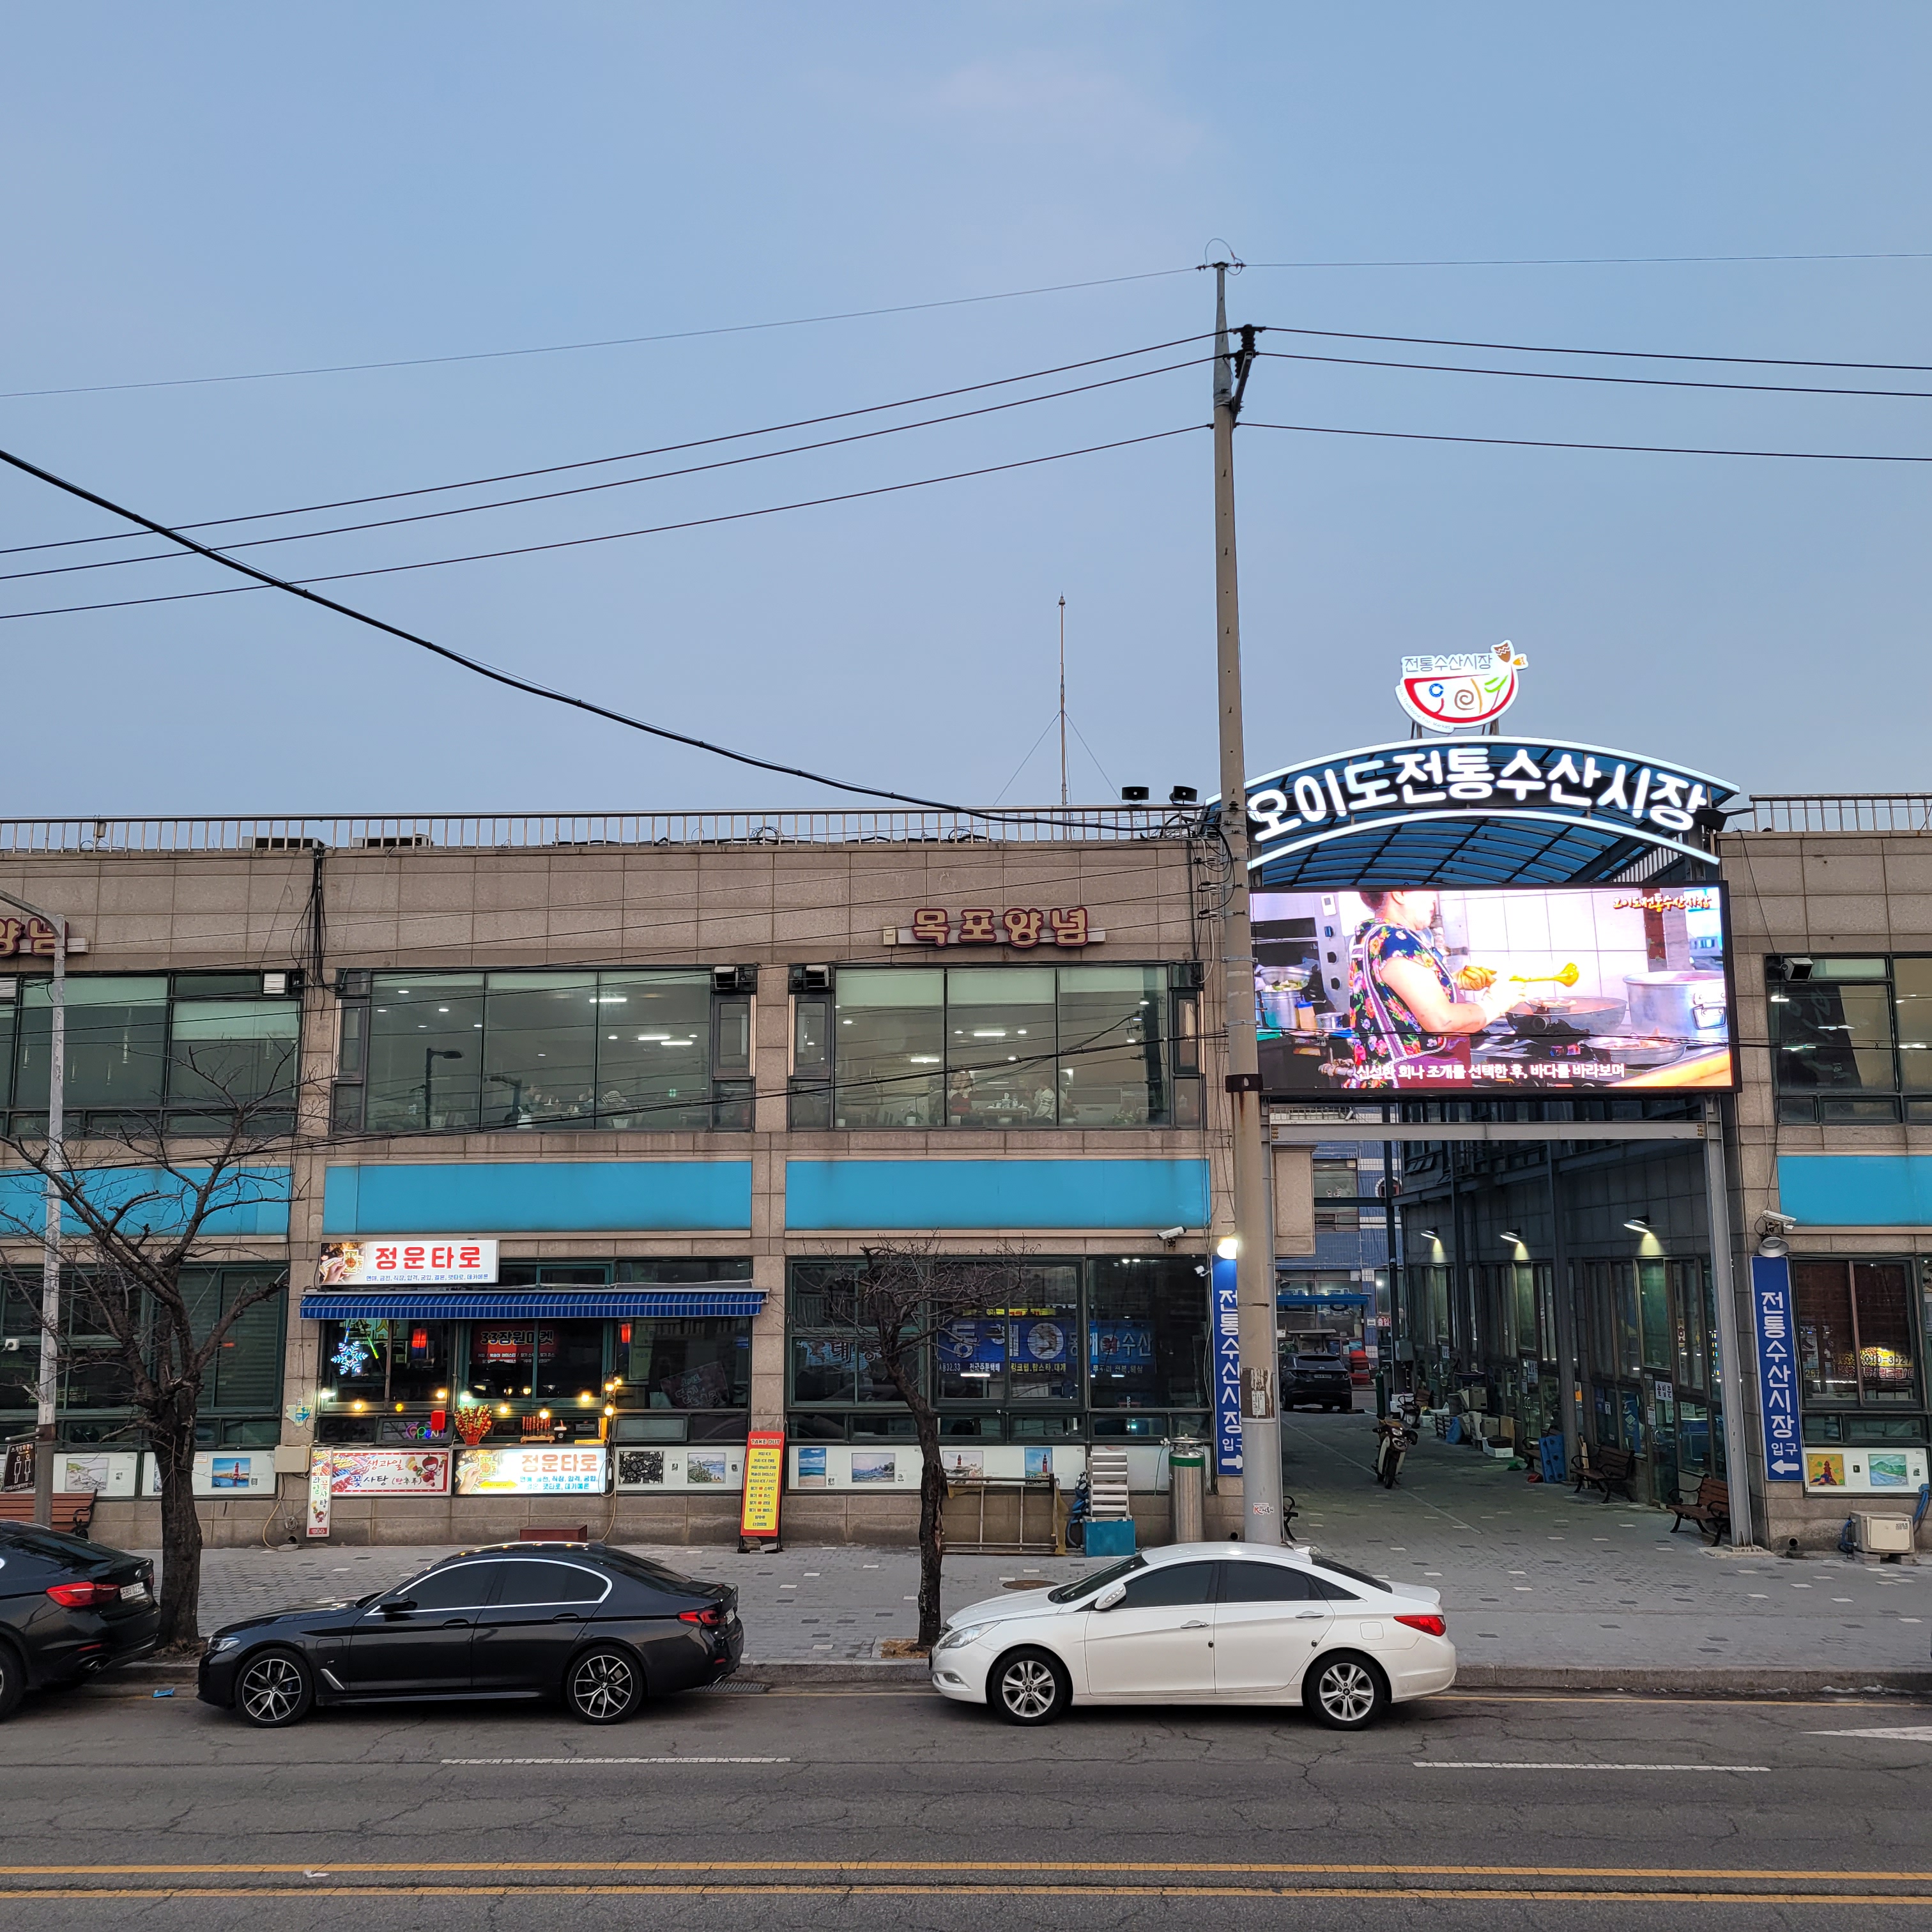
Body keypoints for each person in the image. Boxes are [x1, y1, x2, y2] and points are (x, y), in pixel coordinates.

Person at [1349, 889, 1515, 1085]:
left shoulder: (1371, 935)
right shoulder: (1397, 939)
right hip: (1412, 1084)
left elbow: (1392, 998)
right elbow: (1443, 1022)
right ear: (1399, 893)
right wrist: (1495, 1003)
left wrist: (1451, 982)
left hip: (1383, 1083)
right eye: (1428, 890)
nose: (1434, 898)